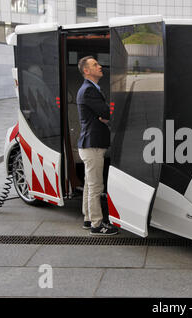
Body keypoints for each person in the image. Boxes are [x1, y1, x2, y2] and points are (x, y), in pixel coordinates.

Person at [76, 56, 118, 236]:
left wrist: (105, 116)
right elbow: (105, 112)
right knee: (96, 187)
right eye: (95, 65)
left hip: (89, 144)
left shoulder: (90, 89)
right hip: (92, 145)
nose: (100, 66)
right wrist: (107, 114)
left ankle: (88, 218)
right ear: (86, 71)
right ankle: (97, 224)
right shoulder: (88, 91)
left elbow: (104, 114)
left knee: (89, 184)